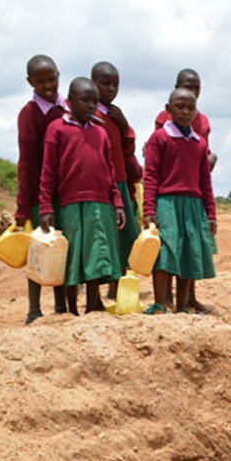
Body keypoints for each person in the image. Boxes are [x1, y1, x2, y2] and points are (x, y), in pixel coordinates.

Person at [38, 77, 125, 314]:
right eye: (85, 100)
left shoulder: (101, 133)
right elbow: (47, 172)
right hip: (70, 204)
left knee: (96, 253)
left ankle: (93, 303)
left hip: (100, 202)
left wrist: (117, 202)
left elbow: (110, 171)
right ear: (70, 99)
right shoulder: (57, 129)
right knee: (73, 256)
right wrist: (46, 206)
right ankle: (71, 307)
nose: (91, 106)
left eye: (95, 102)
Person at [142, 87, 216, 314]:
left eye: (190, 108)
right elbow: (151, 176)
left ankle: (183, 305)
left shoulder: (199, 144)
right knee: (165, 251)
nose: (185, 112)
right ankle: (160, 303)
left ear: (196, 112)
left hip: (193, 206)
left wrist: (211, 213)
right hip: (167, 204)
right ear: (168, 109)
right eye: (180, 107)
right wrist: (149, 209)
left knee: (188, 253)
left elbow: (205, 182)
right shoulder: (159, 138)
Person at [15, 54, 68, 324]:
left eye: (52, 78)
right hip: (39, 195)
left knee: (60, 249)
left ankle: (61, 306)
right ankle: (34, 309)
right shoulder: (29, 114)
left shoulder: (67, 108)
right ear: (30, 82)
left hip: (66, 194)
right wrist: (23, 207)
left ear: (59, 75)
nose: (48, 85)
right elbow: (25, 163)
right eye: (41, 81)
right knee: (39, 250)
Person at [90, 61, 142, 300]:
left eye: (115, 84)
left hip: (120, 182)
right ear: (93, 84)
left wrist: (123, 125)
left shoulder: (115, 114)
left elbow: (128, 149)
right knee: (105, 235)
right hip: (99, 183)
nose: (111, 89)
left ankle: (117, 286)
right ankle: (104, 285)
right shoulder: (90, 113)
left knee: (124, 237)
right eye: (105, 84)